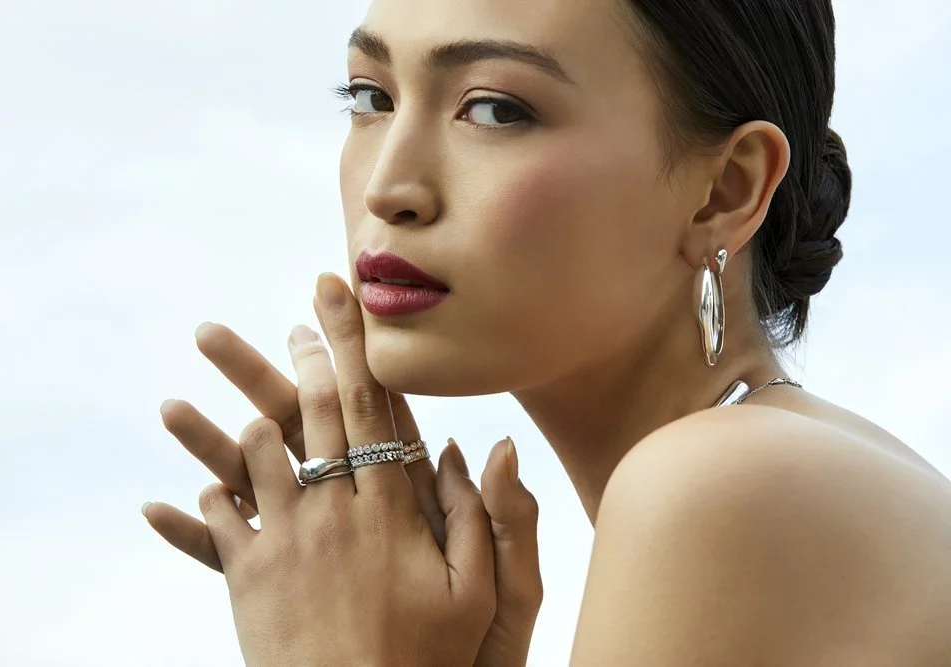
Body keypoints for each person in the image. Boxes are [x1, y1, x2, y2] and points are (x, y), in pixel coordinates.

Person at [141, 0, 951, 664]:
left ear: (725, 192)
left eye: (494, 109)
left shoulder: (721, 483)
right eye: (370, 98)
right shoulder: (778, 465)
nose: (390, 186)